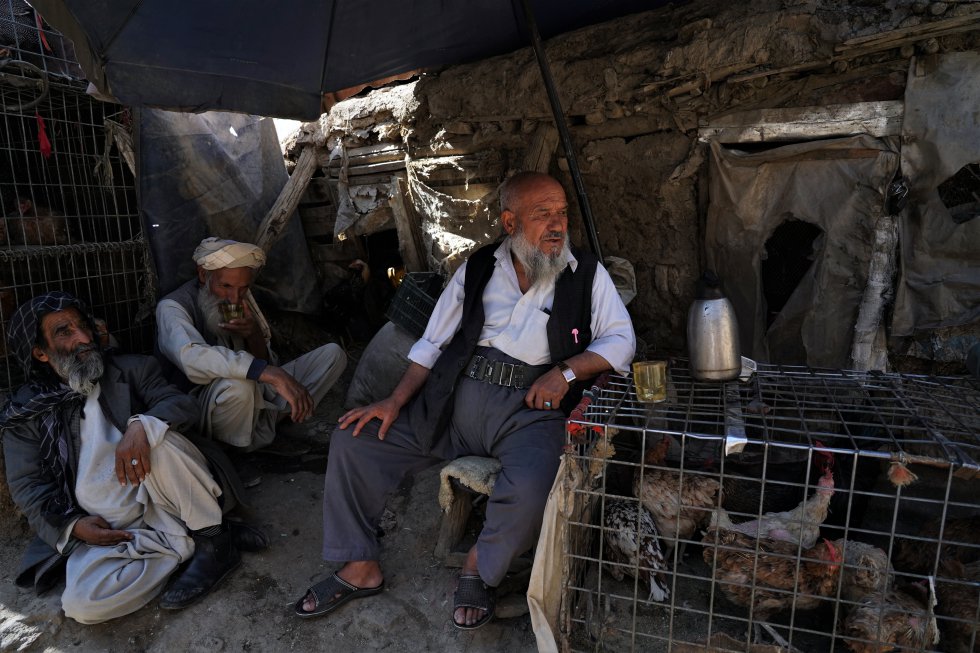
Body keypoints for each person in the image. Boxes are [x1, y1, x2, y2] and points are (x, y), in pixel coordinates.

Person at [294, 172, 635, 629]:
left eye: (562, 213)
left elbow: (621, 341)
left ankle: (479, 564)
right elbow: (431, 345)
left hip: (529, 414)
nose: (557, 225)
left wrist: (566, 371)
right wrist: (395, 402)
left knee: (535, 487)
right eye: (542, 214)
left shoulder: (585, 273)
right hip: (453, 405)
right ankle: (359, 565)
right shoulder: (476, 269)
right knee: (354, 439)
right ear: (510, 221)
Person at [0, 292, 261, 624]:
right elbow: (27, 485)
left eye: (82, 326)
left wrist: (142, 425)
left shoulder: (131, 369)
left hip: (162, 500)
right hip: (109, 530)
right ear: (40, 352)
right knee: (82, 606)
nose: (82, 338)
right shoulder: (25, 413)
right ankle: (192, 542)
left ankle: (212, 540)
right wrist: (73, 526)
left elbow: (182, 404)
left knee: (158, 441)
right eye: (64, 332)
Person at [155, 238, 347, 484]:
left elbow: (265, 360)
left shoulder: (240, 300)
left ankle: (264, 432)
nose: (234, 298)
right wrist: (269, 373)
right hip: (200, 408)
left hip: (253, 395)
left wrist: (254, 335)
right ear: (204, 275)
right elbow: (192, 358)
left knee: (333, 355)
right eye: (226, 286)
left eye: (243, 289)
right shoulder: (173, 307)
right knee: (240, 386)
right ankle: (232, 453)